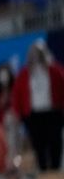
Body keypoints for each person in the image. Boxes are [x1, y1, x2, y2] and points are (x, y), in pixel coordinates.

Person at [12, 39, 64, 171]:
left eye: (39, 53)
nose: (36, 56)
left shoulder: (54, 70)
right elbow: (17, 95)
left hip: (53, 113)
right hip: (34, 116)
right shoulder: (24, 74)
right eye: (33, 54)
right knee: (39, 146)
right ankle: (44, 173)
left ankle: (55, 171)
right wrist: (18, 114)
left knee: (55, 144)